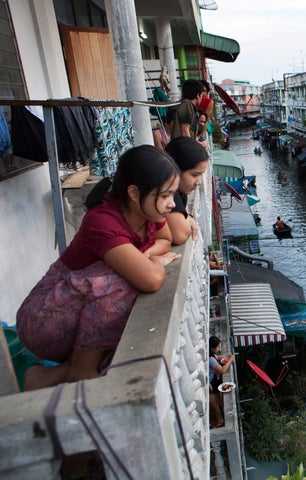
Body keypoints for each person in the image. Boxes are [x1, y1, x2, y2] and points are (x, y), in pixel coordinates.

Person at [17, 146, 181, 391]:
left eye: (173, 195)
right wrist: (153, 262)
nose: (171, 204)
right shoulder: (102, 221)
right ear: (134, 193)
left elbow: (166, 240)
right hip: (45, 319)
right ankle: (82, 370)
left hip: (74, 311)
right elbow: (152, 279)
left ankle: (51, 376)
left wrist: (143, 254)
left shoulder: (147, 215)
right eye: (166, 195)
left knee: (128, 280)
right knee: (122, 281)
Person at [164, 136, 210, 245]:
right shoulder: (167, 191)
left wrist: (187, 217)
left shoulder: (179, 190)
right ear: (175, 169)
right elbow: (180, 235)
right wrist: (187, 219)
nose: (198, 182)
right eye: (194, 175)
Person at [209, 335, 235, 428]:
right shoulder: (210, 359)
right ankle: (219, 419)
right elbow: (222, 370)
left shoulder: (211, 354)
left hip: (212, 379)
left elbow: (218, 357)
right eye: (218, 347)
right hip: (208, 382)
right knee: (214, 403)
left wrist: (227, 357)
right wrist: (231, 360)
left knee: (218, 397)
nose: (219, 348)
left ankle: (220, 416)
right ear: (212, 348)